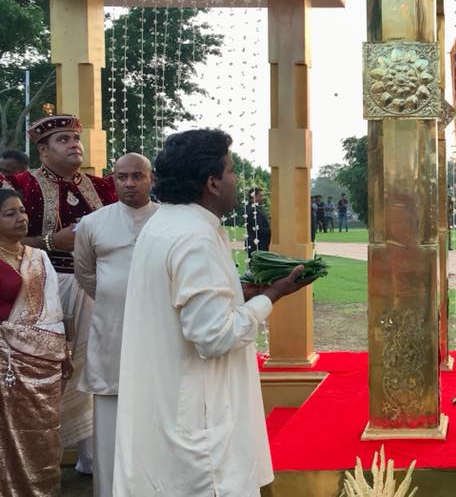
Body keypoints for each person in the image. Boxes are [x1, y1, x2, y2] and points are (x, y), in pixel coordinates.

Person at [113, 129, 317, 496]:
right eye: (232, 170)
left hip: (170, 410)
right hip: (198, 425)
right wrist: (272, 296)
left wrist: (240, 293)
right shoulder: (195, 236)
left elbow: (184, 302)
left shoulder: (166, 223)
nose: (237, 180)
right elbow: (214, 336)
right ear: (212, 182)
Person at [0, 111, 116, 473]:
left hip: (95, 287)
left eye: (75, 138)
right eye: (62, 140)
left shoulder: (104, 188)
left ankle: (91, 458)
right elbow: (8, 239)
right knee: (42, 366)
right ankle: (35, 457)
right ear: (43, 150)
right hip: (37, 284)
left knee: (93, 365)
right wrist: (52, 242)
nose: (74, 145)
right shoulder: (20, 183)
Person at [73, 153, 159, 497]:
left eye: (138, 176)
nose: (129, 183)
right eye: (122, 177)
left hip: (157, 336)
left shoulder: (167, 221)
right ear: (113, 179)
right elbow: (85, 274)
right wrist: (117, 298)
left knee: (156, 419)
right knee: (109, 420)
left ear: (151, 178)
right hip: (110, 333)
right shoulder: (93, 223)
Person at [0, 188, 70, 496]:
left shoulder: (39, 258)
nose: (21, 218)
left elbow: (54, 310)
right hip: (4, 363)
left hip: (43, 360)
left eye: (22, 211)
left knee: (44, 432)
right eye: (10, 213)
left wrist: (62, 348)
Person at [245, 187, 271, 258]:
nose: (263, 198)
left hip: (260, 245)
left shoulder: (256, 208)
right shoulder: (252, 210)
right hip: (257, 246)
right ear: (254, 196)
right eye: (261, 196)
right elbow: (258, 229)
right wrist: (271, 230)